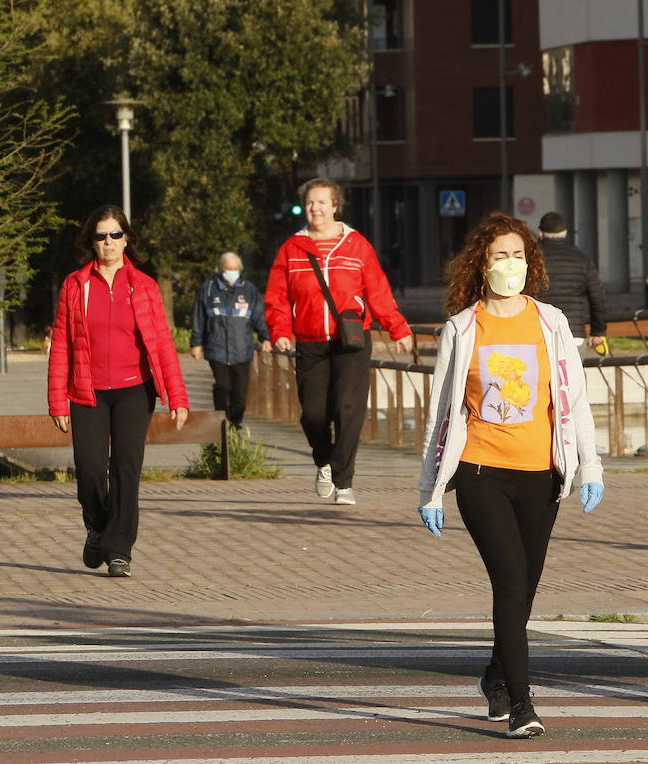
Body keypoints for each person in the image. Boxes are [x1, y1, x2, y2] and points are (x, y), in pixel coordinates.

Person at [417, 213, 606, 740]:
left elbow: (575, 402)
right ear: (482, 263)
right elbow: (441, 414)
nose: (511, 265)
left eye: (519, 255)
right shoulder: (461, 328)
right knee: (509, 581)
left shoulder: (551, 322)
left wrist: (590, 466)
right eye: (501, 256)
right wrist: (430, 488)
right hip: (481, 472)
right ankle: (522, 703)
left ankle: (495, 674)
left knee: (526, 589)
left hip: (541, 474)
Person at [47, 205, 189, 578]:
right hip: (87, 391)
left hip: (134, 391)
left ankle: (119, 548)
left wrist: (178, 396)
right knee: (91, 469)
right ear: (90, 242)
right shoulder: (75, 286)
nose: (108, 242)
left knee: (126, 470)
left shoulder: (144, 286)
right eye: (100, 236)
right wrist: (56, 399)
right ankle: (97, 526)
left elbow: (162, 344)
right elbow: (61, 343)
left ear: (126, 239)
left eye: (114, 235)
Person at [265, 178, 412, 506]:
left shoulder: (357, 245)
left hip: (351, 341)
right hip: (310, 342)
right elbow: (277, 297)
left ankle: (344, 481)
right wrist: (280, 332)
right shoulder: (292, 248)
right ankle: (324, 462)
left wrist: (398, 328)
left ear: (335, 206)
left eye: (322, 202)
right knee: (313, 415)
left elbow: (377, 291)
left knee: (348, 408)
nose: (315, 209)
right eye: (311, 203)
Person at [190, 252, 272, 431]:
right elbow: (199, 318)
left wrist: (265, 337)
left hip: (242, 350)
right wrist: (196, 343)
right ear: (221, 269)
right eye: (228, 268)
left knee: (240, 393)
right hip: (216, 349)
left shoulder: (249, 290)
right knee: (223, 386)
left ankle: (235, 423)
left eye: (235, 269)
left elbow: (259, 316)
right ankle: (221, 419)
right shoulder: (209, 288)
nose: (232, 272)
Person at [536, 212, 609, 352]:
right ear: (566, 232)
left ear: (541, 233)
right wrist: (598, 331)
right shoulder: (582, 259)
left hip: (540, 331)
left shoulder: (533, 260)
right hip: (574, 333)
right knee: (573, 374)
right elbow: (598, 298)